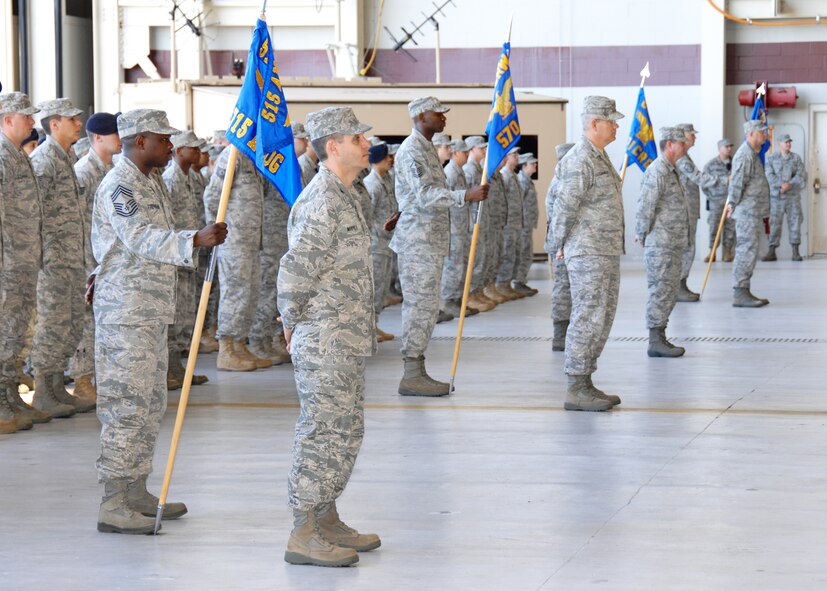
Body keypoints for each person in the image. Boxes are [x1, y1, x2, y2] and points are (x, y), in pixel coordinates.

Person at [90, 108, 227, 533]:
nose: (170, 145)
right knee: (125, 406)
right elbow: (140, 238)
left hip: (148, 311)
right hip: (125, 314)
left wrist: (196, 239)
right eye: (163, 139)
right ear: (139, 140)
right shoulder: (120, 185)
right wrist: (194, 239)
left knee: (149, 403)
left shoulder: (149, 181)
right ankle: (114, 501)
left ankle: (135, 489)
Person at [277, 106, 379, 567]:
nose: (366, 144)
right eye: (357, 138)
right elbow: (296, 270)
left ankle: (326, 515)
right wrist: (292, 322)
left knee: (344, 429)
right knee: (322, 431)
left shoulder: (348, 193)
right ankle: (303, 531)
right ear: (332, 146)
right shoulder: (321, 199)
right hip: (324, 336)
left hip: (346, 334)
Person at [390, 97, 488, 397]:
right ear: (421, 116)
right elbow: (426, 195)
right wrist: (464, 196)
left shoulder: (425, 150)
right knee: (419, 307)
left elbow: (414, 196)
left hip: (428, 240)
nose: (444, 118)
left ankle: (417, 369)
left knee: (427, 306)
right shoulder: (411, 151)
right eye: (438, 113)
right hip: (418, 243)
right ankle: (411, 373)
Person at [552, 96, 624, 412]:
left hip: (604, 249)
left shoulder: (599, 156)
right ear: (594, 123)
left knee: (602, 316)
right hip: (587, 250)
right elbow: (562, 207)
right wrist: (555, 246)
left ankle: (586, 380)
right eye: (611, 120)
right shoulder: (579, 159)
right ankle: (575, 386)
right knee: (587, 316)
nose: (617, 125)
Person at [30, 98, 96, 415]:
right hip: (53, 260)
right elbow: (34, 214)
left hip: (72, 257)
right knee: (53, 323)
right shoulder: (44, 161)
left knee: (70, 323)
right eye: (72, 119)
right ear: (54, 124)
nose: (78, 124)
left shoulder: (66, 158)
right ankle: (44, 389)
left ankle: (57, 386)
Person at [0, 92, 50, 433]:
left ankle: (8, 395)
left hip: (23, 260)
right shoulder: (2, 156)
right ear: (7, 119)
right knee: (4, 329)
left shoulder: (16, 154)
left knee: (16, 330)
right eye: (26, 117)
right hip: (7, 262)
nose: (33, 123)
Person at [204, 146, 271, 371]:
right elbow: (212, 196)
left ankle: (240, 344)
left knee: (249, 294)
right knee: (234, 294)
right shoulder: (232, 155)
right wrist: (218, 232)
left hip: (252, 242)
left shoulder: (254, 157)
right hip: (233, 241)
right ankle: (227, 349)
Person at [71, 112, 122, 402]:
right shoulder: (84, 171)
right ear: (98, 138)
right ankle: (82, 379)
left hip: (107, 259)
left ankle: (102, 377)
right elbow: (77, 220)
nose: (119, 138)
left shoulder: (112, 170)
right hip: (86, 257)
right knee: (86, 321)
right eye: (114, 133)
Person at [635, 127, 690, 358]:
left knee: (668, 290)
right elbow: (646, 204)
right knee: (660, 290)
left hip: (672, 243)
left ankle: (660, 336)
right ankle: (655, 340)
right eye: (681, 142)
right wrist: (641, 231)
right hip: (661, 244)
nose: (685, 146)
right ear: (669, 144)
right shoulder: (658, 170)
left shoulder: (671, 169)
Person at [163, 130, 211, 386]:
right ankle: (170, 368)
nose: (196, 152)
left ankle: (177, 367)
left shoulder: (189, 178)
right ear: (178, 151)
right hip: (176, 254)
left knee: (185, 311)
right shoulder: (170, 179)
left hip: (189, 253)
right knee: (175, 311)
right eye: (191, 148)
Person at [674, 123, 722, 302]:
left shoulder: (685, 156)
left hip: (689, 209)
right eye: (691, 135)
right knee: (686, 249)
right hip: (684, 210)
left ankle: (681, 284)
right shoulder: (682, 159)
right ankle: (679, 286)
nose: (695, 138)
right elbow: (699, 178)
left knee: (688, 248)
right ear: (683, 137)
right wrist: (724, 180)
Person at [728, 120, 771, 307]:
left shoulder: (753, 154)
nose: (765, 135)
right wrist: (732, 203)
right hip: (746, 212)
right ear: (751, 134)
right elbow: (737, 182)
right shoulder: (744, 155)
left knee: (750, 250)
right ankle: (740, 292)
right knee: (746, 251)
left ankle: (744, 289)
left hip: (753, 211)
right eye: (761, 132)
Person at [441, 138, 478, 318]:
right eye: (464, 152)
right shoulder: (450, 173)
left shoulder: (459, 172)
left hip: (461, 226)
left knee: (460, 264)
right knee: (453, 265)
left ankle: (457, 299)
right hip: (453, 227)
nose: (466, 155)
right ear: (456, 153)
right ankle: (449, 300)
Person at [364, 142, 397, 342]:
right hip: (376, 244)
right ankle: (367, 328)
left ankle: (374, 324)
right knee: (373, 287)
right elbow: (368, 216)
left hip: (385, 243)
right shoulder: (372, 184)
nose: (390, 160)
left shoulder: (385, 181)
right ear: (378, 161)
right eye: (387, 157)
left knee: (381, 287)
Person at [545, 142, 574, 351]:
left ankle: (566, 332)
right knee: (563, 289)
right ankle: (560, 334)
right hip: (561, 243)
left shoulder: (564, 180)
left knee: (567, 288)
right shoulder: (561, 182)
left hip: (566, 241)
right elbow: (558, 218)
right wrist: (561, 244)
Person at [462, 136, 497, 313]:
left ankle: (476, 292)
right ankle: (469, 295)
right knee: (474, 260)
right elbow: (466, 199)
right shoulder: (469, 170)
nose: (484, 150)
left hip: (482, 220)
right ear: (471, 149)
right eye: (480, 147)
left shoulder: (478, 169)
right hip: (472, 221)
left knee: (482, 259)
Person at [764, 133, 807, 262]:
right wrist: (781, 185)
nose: (788, 144)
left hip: (792, 197)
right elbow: (769, 175)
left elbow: (801, 175)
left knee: (795, 223)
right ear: (779, 144)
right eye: (786, 142)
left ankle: (795, 252)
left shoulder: (796, 158)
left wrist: (790, 185)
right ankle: (772, 252)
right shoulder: (771, 158)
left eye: (789, 142)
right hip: (777, 197)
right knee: (774, 224)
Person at [496, 146, 526, 300]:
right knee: (506, 254)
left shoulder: (512, 175)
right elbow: (502, 201)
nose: (517, 156)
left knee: (513, 254)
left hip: (515, 223)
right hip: (507, 224)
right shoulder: (505, 175)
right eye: (514, 154)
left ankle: (506, 284)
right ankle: (501, 284)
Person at [702, 139, 735, 262]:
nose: (729, 148)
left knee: (730, 227)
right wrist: (712, 196)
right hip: (716, 201)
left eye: (730, 146)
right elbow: (704, 183)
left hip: (731, 201)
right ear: (719, 148)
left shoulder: (736, 163)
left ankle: (728, 253)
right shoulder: (710, 165)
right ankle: (712, 252)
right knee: (714, 227)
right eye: (726, 146)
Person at [514, 152, 539, 296]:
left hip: (526, 224)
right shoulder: (522, 181)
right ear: (524, 166)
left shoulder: (527, 180)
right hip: (522, 224)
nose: (535, 165)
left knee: (526, 253)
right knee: (523, 253)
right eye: (532, 163)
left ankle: (521, 281)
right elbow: (519, 204)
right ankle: (518, 282)